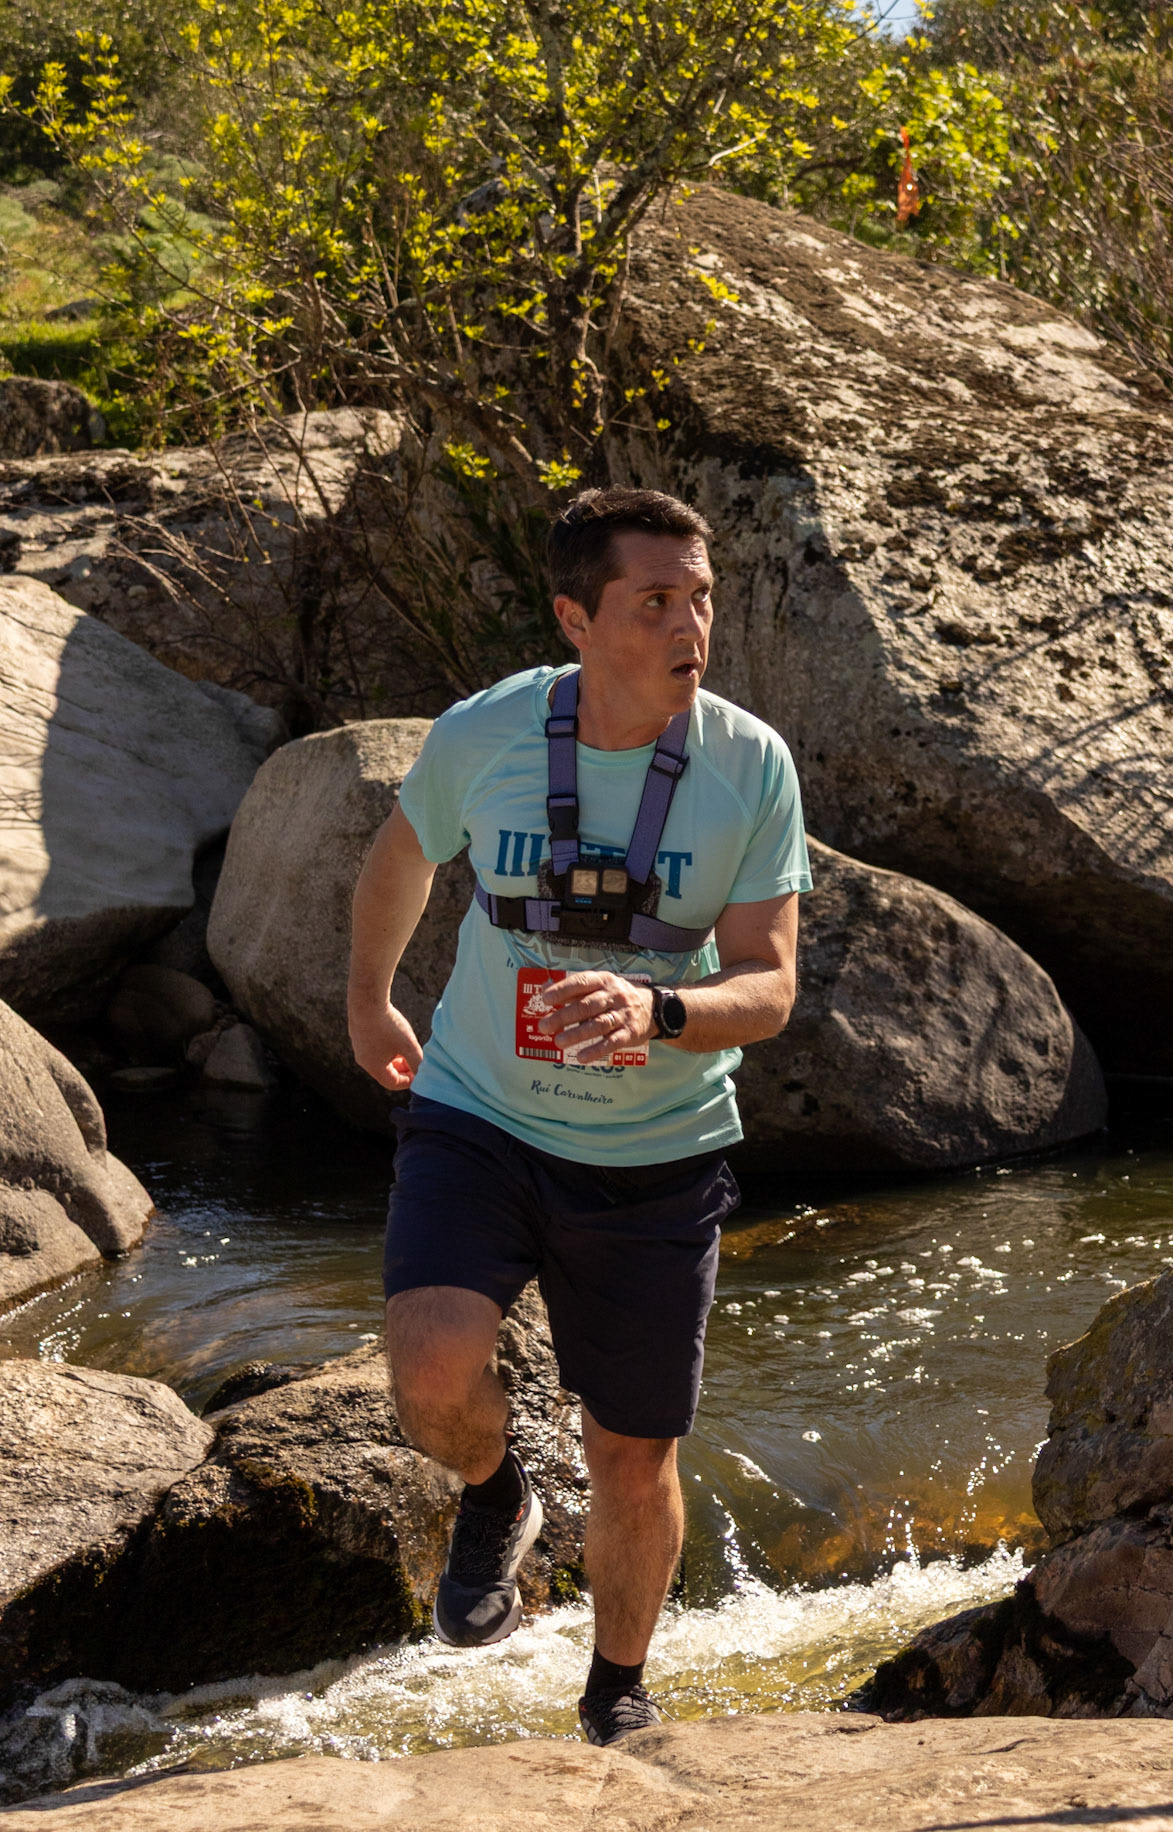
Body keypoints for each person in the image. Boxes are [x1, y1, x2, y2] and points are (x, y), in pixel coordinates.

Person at [347, 485, 811, 1747]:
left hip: (657, 1154)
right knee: (429, 1368)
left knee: (631, 1454)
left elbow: (770, 986)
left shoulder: (749, 765)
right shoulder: (487, 730)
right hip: (478, 1110)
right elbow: (402, 855)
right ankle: (496, 1491)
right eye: (655, 600)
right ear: (576, 619)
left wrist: (660, 1012)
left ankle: (617, 1690)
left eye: (701, 597)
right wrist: (369, 1003)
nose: (690, 624)